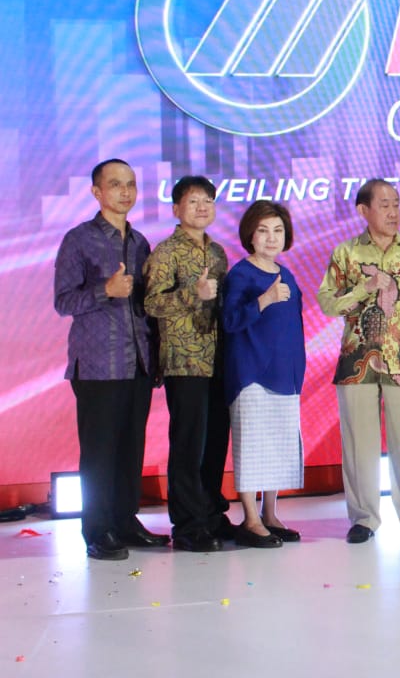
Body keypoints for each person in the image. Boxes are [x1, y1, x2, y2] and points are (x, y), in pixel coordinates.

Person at [54, 159, 169, 560]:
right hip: (97, 364)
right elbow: (63, 301)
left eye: (131, 184)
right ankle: (97, 529)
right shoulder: (78, 239)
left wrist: (155, 357)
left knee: (130, 448)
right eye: (116, 184)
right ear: (96, 192)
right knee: (100, 452)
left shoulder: (140, 243)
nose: (125, 191)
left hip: (137, 362)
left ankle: (124, 520)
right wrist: (106, 289)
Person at [318, 179, 400, 543]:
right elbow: (328, 303)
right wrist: (363, 289)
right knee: (359, 443)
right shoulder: (346, 253)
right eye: (384, 205)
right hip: (356, 360)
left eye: (396, 204)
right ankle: (364, 518)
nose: (393, 212)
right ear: (364, 210)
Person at [144, 175, 231, 552]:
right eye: (193, 201)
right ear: (177, 208)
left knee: (215, 441)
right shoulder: (166, 252)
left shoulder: (218, 253)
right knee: (188, 444)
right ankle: (187, 524)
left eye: (208, 201)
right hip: (184, 361)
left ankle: (211, 514)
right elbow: (151, 304)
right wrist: (190, 294)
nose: (201, 208)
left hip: (218, 360)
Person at [222, 201, 305, 548]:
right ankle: (250, 519)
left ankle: (270, 514)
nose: (272, 238)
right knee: (252, 445)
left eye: (278, 231)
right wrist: (264, 300)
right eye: (264, 231)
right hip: (251, 373)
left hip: (285, 373)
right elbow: (230, 321)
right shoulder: (241, 274)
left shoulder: (287, 274)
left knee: (277, 444)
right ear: (250, 235)